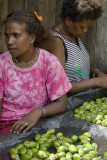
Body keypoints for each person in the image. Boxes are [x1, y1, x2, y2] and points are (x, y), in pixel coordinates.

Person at [0, 10, 72, 134]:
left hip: (38, 125)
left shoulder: (49, 62)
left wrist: (38, 112)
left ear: (32, 37)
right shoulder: (2, 64)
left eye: (16, 35)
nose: (9, 41)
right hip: (6, 128)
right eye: (7, 35)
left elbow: (61, 103)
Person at [39, 0, 107, 96]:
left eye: (88, 26)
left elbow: (76, 66)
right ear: (68, 20)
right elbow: (59, 86)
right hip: (68, 105)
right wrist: (96, 81)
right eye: (82, 26)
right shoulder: (56, 42)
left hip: (81, 101)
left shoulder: (73, 35)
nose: (86, 30)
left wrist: (96, 71)